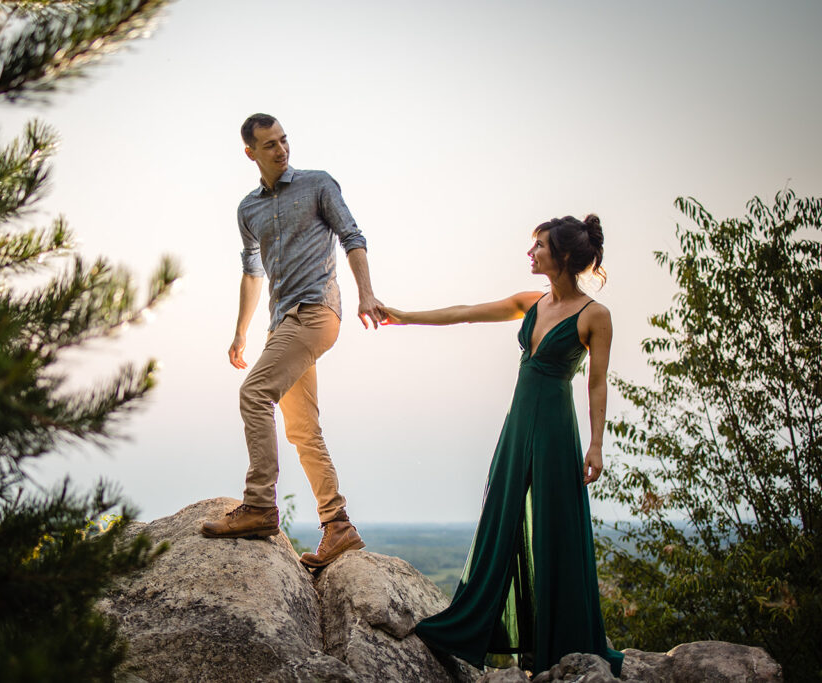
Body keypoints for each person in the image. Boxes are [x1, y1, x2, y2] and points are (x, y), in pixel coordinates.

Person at [381, 215, 624, 677]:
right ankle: (471, 628)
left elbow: (597, 384)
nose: (530, 254)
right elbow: (465, 312)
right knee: (502, 517)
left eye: (539, 247)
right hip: (517, 428)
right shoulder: (530, 301)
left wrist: (596, 447)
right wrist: (403, 316)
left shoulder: (596, 315)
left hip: (556, 429)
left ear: (565, 256)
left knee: (555, 527)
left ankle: (563, 642)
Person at [201, 113, 385, 569]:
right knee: (303, 429)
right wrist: (241, 332)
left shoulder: (319, 184)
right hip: (282, 324)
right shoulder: (248, 210)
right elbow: (251, 272)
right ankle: (338, 525)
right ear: (251, 153)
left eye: (284, 141)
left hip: (317, 312)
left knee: (255, 393)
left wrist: (366, 293)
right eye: (270, 145)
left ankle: (260, 505)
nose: (281, 150)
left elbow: (352, 236)